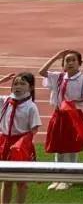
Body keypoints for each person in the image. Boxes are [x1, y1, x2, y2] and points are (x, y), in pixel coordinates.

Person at [39, 50, 83, 190]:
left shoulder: (82, 79)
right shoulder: (58, 77)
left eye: (73, 60)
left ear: (79, 63)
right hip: (58, 115)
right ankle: (58, 177)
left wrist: (73, 102)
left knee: (71, 147)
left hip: (73, 115)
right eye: (67, 60)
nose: (70, 63)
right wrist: (56, 57)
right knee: (58, 146)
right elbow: (42, 72)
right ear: (63, 64)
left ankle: (70, 178)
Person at [0, 71, 40, 204]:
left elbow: (34, 129)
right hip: (5, 143)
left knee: (21, 181)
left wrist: (22, 144)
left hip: (21, 145)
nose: (18, 86)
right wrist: (2, 80)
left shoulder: (31, 107)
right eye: (15, 83)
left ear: (31, 88)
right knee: (6, 180)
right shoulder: (5, 101)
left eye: (23, 84)